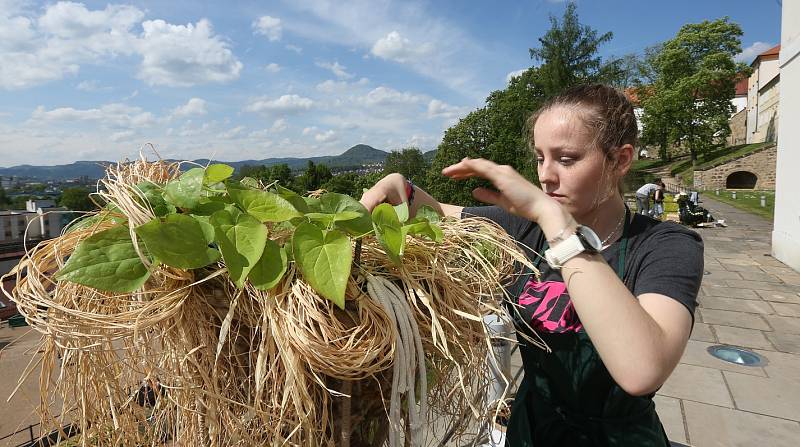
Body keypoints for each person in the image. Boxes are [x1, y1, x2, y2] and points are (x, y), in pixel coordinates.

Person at [360, 84, 703, 446]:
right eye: (540, 157)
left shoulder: (664, 245)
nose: (545, 176)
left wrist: (550, 216)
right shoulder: (525, 229)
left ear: (620, 160)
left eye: (566, 159)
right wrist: (403, 188)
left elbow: (641, 369)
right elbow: (439, 215)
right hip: (531, 432)